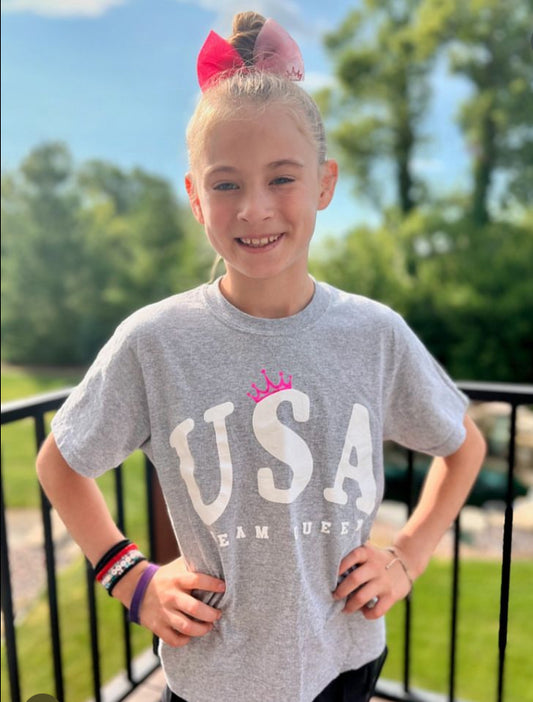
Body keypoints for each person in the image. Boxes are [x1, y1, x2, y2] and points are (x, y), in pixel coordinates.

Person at [36, 11, 486, 702]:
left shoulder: (375, 334)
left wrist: (409, 555)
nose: (253, 208)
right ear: (195, 197)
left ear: (324, 184)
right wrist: (130, 578)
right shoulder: (155, 341)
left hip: (345, 659)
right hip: (212, 676)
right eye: (225, 184)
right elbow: (59, 463)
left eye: (282, 178)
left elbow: (464, 447)